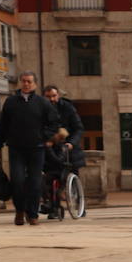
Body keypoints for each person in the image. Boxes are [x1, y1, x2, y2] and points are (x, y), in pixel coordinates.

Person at [0, 71, 58, 225]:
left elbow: (54, 123)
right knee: (18, 181)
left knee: (35, 182)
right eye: (24, 81)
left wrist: (44, 136)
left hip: (37, 149)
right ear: (20, 83)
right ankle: (20, 210)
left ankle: (33, 214)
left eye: (29, 81)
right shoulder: (11, 102)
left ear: (34, 84)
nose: (26, 84)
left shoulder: (43, 103)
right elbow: (3, 126)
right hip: (16, 149)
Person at [41, 85, 85, 219]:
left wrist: (71, 143)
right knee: (49, 179)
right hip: (50, 149)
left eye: (54, 96)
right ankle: (53, 207)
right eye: (48, 97)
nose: (51, 99)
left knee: (70, 174)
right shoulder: (41, 109)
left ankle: (78, 204)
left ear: (58, 95)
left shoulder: (67, 108)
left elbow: (78, 128)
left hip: (68, 149)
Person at [41, 128, 73, 218]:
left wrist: (49, 149)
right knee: (41, 179)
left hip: (60, 171)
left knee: (49, 181)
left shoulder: (62, 147)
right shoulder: (46, 145)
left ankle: (52, 205)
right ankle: (47, 202)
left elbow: (57, 160)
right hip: (48, 170)